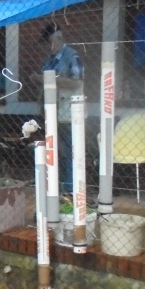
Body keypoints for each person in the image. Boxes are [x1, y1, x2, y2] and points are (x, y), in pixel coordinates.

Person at [40, 22, 84, 193]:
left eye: (49, 42)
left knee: (72, 151)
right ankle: (59, 185)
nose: (48, 46)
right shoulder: (49, 60)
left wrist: (51, 79)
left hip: (70, 112)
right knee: (58, 151)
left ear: (58, 38)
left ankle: (72, 187)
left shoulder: (71, 56)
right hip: (52, 113)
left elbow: (77, 82)